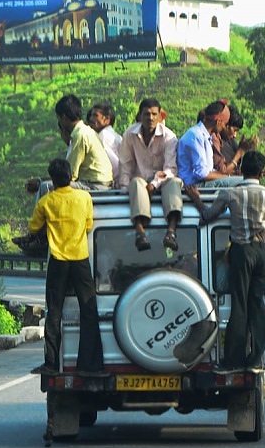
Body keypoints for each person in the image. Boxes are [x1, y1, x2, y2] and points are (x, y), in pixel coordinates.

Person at [186, 150, 265, 373]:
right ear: (262, 173)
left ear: (241, 170)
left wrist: (197, 199)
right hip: (261, 252)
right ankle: (256, 358)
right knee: (257, 305)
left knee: (240, 305)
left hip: (241, 251)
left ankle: (234, 360)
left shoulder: (230, 193)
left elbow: (208, 216)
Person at [29, 158, 105, 377]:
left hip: (58, 261)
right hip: (80, 258)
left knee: (54, 312)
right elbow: (89, 225)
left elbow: (34, 227)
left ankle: (51, 364)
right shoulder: (84, 197)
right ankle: (89, 364)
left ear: (52, 179)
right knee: (89, 311)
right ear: (72, 176)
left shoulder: (46, 202)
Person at [117, 97, 182, 251]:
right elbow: (125, 165)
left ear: (160, 116)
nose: (150, 118)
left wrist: (154, 184)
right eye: (147, 114)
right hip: (140, 185)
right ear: (140, 115)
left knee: (174, 182)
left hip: (162, 182)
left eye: (154, 114)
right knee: (136, 182)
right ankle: (140, 231)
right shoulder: (130, 134)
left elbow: (171, 168)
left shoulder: (169, 136)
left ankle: (171, 231)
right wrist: (123, 190)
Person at [178, 100, 243, 197]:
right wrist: (227, 176)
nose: (224, 127)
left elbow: (208, 170)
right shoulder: (196, 136)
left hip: (202, 182)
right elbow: (201, 174)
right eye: (225, 124)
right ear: (219, 122)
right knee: (243, 181)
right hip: (194, 185)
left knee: (242, 179)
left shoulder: (205, 136)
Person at [56, 94, 113, 190]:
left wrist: (41, 181)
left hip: (95, 185)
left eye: (59, 118)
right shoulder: (86, 130)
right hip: (101, 183)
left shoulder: (80, 135)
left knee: (47, 187)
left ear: (64, 118)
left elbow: (70, 175)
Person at [212, 104, 258, 175]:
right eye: (234, 130)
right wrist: (240, 151)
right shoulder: (214, 139)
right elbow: (223, 171)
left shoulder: (230, 141)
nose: (235, 135)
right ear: (225, 125)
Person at [87, 103, 122, 180]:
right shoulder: (113, 135)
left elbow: (115, 164)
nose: (91, 119)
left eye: (95, 115)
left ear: (106, 120)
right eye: (91, 115)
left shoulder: (103, 136)